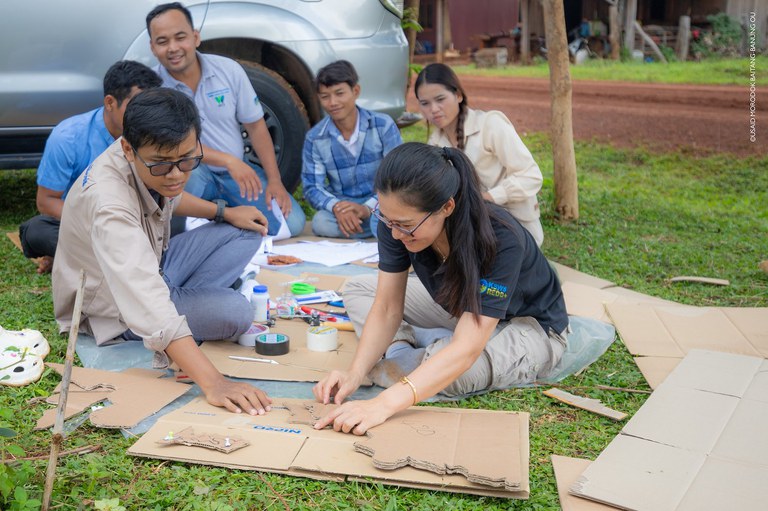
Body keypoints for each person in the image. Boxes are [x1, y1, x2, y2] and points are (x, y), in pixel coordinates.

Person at [313, 143, 568, 435]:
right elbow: (386, 308)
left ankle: (426, 353)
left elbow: (468, 347)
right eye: (388, 221)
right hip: (464, 309)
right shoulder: (396, 222)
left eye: (406, 226)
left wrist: (382, 404)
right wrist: (354, 373)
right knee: (358, 288)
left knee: (452, 370)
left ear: (447, 207)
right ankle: (406, 349)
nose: (396, 234)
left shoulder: (501, 238)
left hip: (530, 327)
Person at [52, 88, 272, 415]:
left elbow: (171, 192)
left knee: (247, 229)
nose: (176, 175)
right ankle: (192, 308)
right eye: (162, 165)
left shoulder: (148, 156)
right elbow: (144, 296)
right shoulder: (110, 205)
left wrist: (223, 212)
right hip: (113, 307)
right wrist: (214, 382)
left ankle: (188, 303)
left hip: (155, 265)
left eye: (187, 160)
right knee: (236, 313)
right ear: (128, 149)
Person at [146, 2, 305, 236]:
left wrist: (274, 181)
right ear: (152, 47)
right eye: (162, 41)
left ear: (196, 37)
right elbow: (174, 145)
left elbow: (256, 126)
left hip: (236, 173)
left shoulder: (229, 70)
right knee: (175, 214)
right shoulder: (153, 87)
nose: (173, 48)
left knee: (293, 224)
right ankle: (218, 216)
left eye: (180, 37)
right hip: (190, 173)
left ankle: (223, 217)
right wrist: (228, 161)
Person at [18, 61, 162, 273]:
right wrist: (102, 224)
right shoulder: (67, 137)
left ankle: (76, 259)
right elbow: (47, 201)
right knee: (35, 231)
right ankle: (109, 259)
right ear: (110, 102)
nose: (144, 115)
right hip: (87, 224)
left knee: (175, 223)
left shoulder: (152, 133)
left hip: (137, 221)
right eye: (136, 105)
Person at [415, 63, 545, 246]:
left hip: (516, 228)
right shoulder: (435, 143)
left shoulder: (490, 125)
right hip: (473, 227)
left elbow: (531, 176)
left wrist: (487, 198)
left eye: (440, 99)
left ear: (458, 95)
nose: (433, 109)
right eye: (425, 103)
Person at [301, 60, 402, 238]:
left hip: (382, 201)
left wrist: (367, 208)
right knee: (321, 222)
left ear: (356, 91)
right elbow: (312, 187)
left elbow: (397, 177)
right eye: (325, 96)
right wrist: (337, 208)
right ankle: (374, 231)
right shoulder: (315, 138)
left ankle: (369, 227)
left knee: (380, 218)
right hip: (344, 205)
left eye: (339, 93)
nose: (333, 102)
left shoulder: (382, 125)